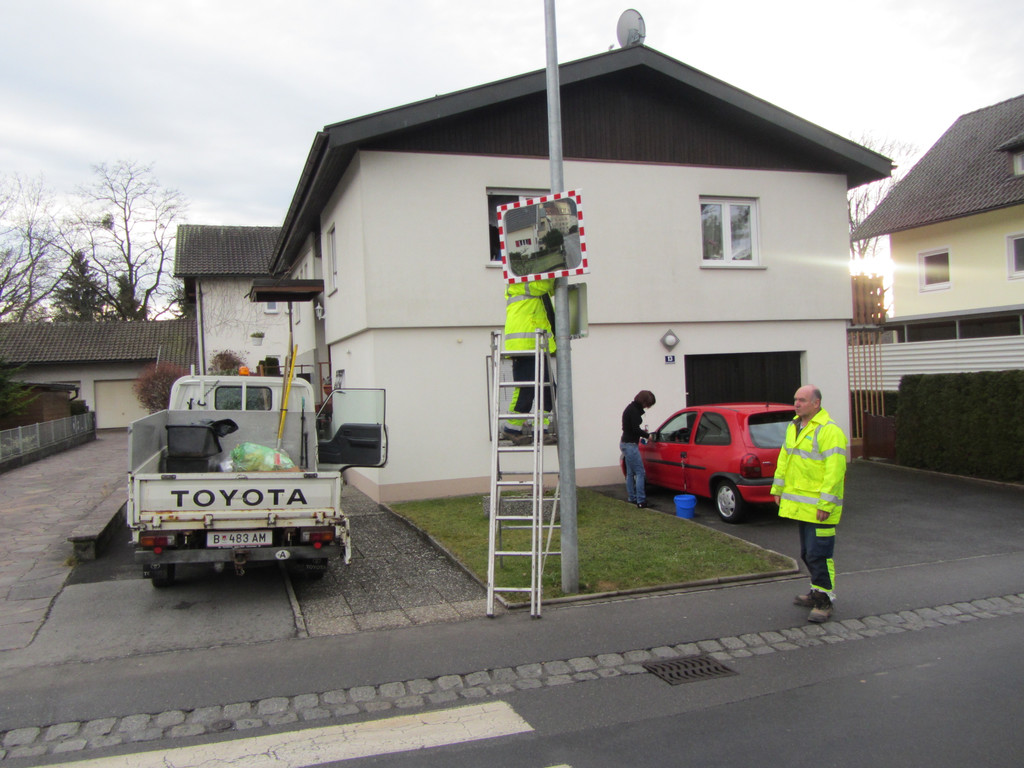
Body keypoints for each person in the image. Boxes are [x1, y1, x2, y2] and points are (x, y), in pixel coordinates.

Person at [771, 385, 848, 623]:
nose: (796, 404)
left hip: (820, 508)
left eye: (802, 400)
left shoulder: (829, 431)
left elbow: (835, 472)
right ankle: (817, 591)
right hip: (803, 507)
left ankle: (824, 600)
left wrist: (825, 504)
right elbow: (784, 460)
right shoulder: (794, 427)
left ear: (816, 403)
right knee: (807, 553)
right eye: (795, 399)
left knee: (819, 554)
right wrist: (778, 489)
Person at [502, 278, 556, 444]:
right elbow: (545, 285)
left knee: (547, 388)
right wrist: (556, 269)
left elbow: (550, 289)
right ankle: (511, 428)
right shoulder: (520, 283)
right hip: (524, 345)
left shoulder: (533, 289)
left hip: (535, 344)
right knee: (526, 389)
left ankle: (540, 429)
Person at [621, 390, 656, 508]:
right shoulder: (634, 411)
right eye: (648, 404)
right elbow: (635, 429)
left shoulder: (631, 408)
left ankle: (632, 498)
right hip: (630, 445)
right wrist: (647, 436)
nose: (647, 407)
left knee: (630, 473)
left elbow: (631, 428)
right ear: (644, 402)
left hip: (625, 443)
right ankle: (641, 500)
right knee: (640, 472)